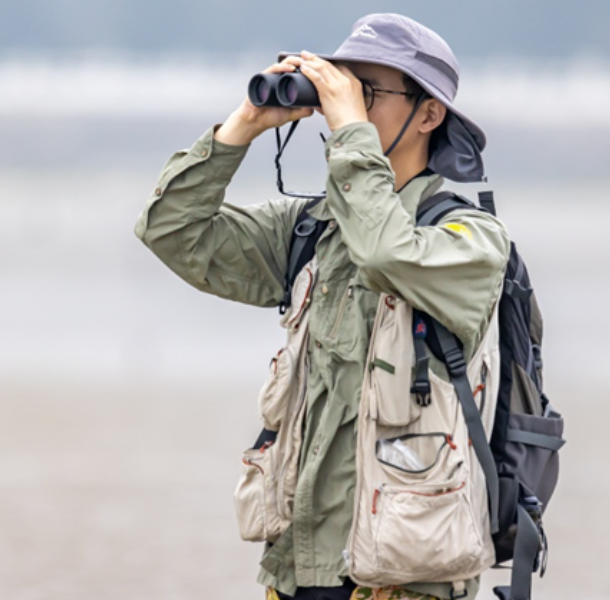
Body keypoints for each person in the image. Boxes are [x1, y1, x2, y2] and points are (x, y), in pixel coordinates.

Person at [134, 13, 509, 600]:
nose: (346, 105)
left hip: (404, 579)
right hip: (301, 570)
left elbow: (387, 249)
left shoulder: (470, 238)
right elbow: (171, 232)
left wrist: (350, 133)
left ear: (429, 114)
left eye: (369, 92)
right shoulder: (313, 231)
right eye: (342, 85)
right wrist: (245, 124)